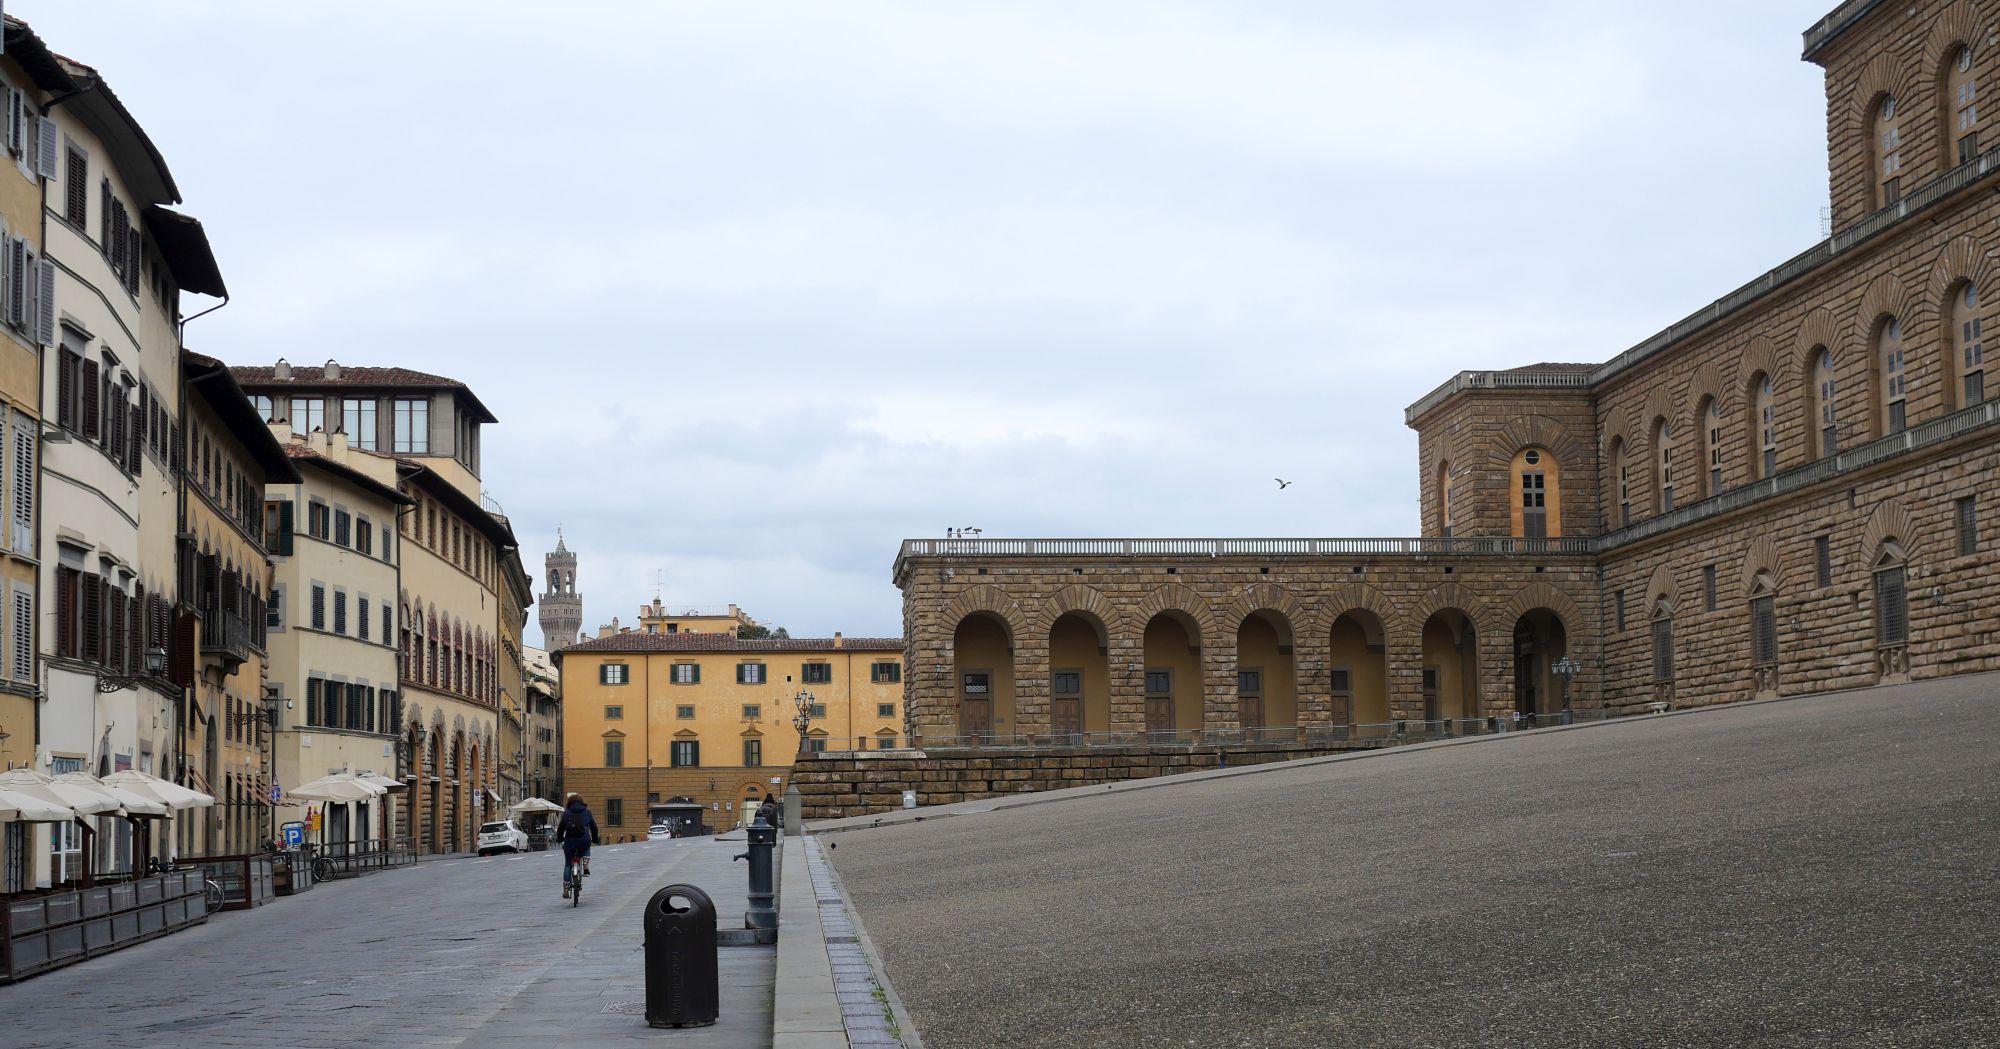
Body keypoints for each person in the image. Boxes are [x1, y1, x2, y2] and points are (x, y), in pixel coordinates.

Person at [555, 794, 599, 898]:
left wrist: (559, 839)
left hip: (570, 842)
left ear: (569, 803)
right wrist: (595, 839)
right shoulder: (587, 812)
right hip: (583, 840)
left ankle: (566, 889)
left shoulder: (566, 813)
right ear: (581, 802)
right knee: (586, 847)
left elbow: (561, 828)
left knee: (568, 865)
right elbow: (594, 827)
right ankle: (585, 864)